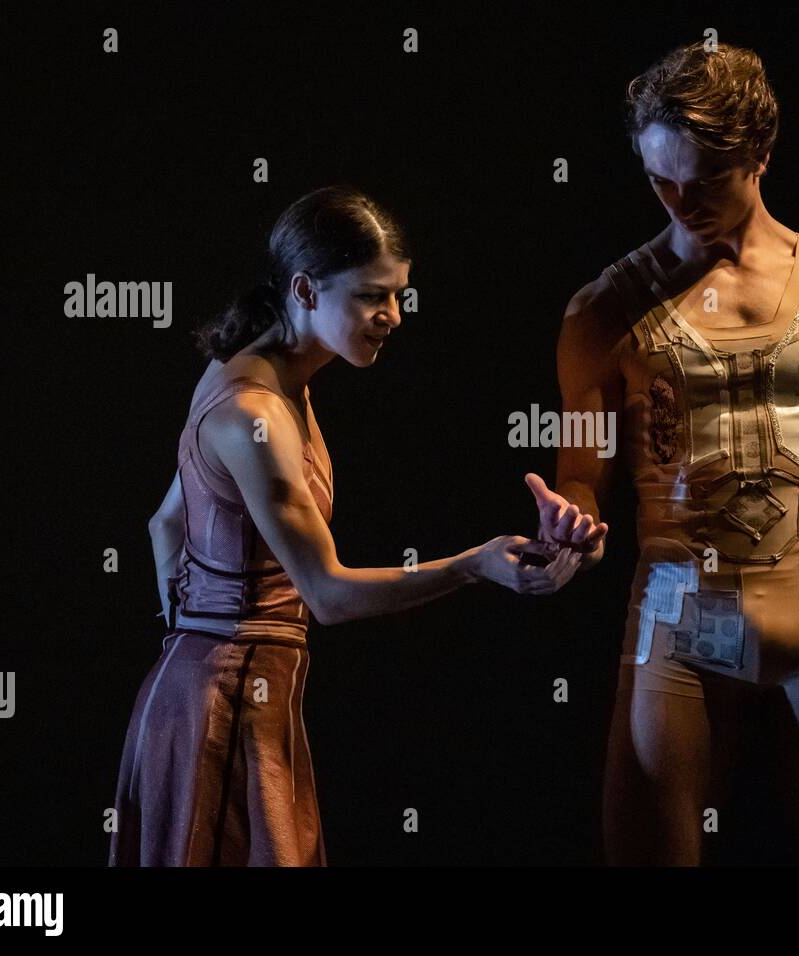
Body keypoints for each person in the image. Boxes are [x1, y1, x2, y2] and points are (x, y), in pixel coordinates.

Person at [534, 41, 799, 865]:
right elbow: (581, 478)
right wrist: (566, 526)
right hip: (683, 622)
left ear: (760, 155)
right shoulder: (601, 315)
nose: (680, 202)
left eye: (704, 183)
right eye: (659, 181)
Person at [109, 184, 588, 866]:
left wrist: (188, 649)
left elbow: (164, 525)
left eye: (398, 294)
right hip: (226, 709)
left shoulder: (257, 373)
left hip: (217, 697)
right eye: (371, 296)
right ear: (305, 290)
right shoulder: (258, 414)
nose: (392, 315)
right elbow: (327, 595)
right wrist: (473, 564)